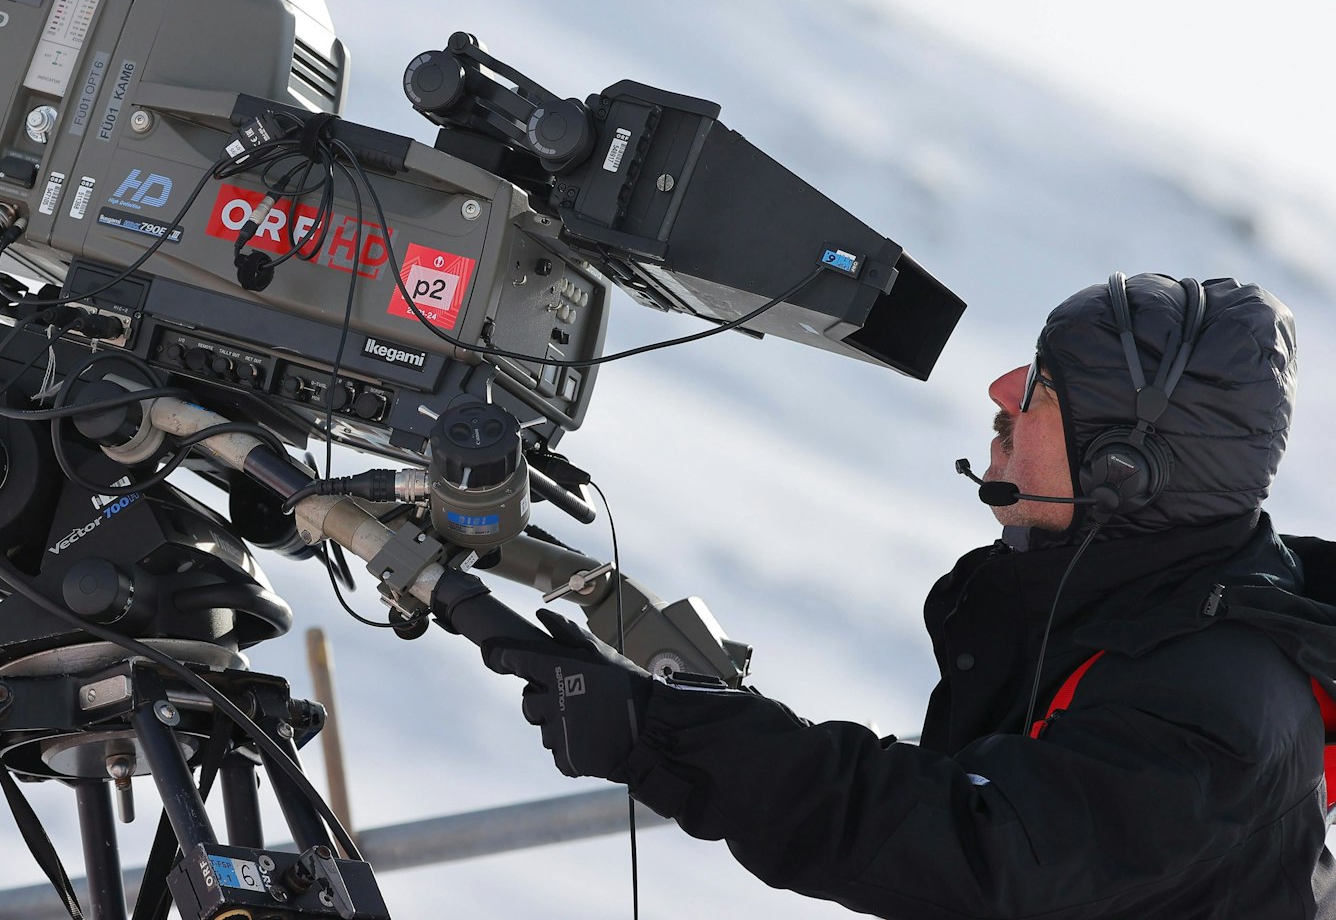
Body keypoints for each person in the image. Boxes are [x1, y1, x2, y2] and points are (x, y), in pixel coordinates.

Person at [487, 273, 1336, 918]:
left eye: (1040, 389)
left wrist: (663, 733)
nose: (1001, 395)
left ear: (1124, 469)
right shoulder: (1122, 599)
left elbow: (962, 841)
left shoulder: (1213, 704)